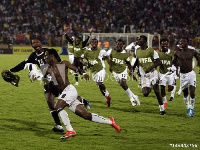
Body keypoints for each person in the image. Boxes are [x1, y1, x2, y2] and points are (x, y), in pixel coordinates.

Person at [2, 37, 91, 132]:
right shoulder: (33, 56)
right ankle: (58, 125)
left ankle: (81, 100)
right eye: (34, 43)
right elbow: (23, 64)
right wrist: (10, 70)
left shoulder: (50, 51)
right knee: (49, 100)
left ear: (40, 43)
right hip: (46, 80)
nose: (36, 44)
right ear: (32, 46)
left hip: (56, 78)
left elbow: (60, 63)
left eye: (38, 42)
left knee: (64, 95)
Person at [43, 49, 120, 139]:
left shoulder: (63, 63)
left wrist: (83, 74)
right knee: (86, 115)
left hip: (69, 90)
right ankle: (110, 121)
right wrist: (46, 83)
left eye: (46, 55)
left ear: (52, 56)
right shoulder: (47, 69)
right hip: (65, 94)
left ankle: (70, 130)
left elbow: (76, 69)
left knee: (58, 107)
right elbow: (47, 86)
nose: (44, 58)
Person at [132, 35, 165, 115]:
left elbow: (158, 62)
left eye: (140, 39)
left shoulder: (151, 50)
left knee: (156, 90)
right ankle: (149, 87)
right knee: (145, 94)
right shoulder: (137, 50)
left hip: (152, 73)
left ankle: (162, 109)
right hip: (144, 75)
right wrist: (132, 69)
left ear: (144, 41)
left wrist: (150, 67)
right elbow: (137, 60)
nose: (138, 41)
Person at [106, 39, 140, 107]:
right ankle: (134, 96)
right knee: (124, 86)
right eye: (118, 44)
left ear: (123, 45)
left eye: (120, 44)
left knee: (123, 83)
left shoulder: (125, 54)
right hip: (115, 72)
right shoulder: (112, 51)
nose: (119, 45)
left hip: (123, 71)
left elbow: (129, 64)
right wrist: (110, 65)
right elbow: (106, 57)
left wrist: (131, 72)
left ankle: (131, 99)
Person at [172, 37, 200, 117]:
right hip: (182, 75)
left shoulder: (192, 51)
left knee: (192, 92)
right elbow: (173, 62)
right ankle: (188, 107)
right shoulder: (177, 52)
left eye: (183, 41)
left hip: (191, 74)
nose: (182, 43)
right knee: (185, 93)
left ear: (188, 43)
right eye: (181, 41)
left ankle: (192, 108)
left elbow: (198, 59)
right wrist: (174, 69)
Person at [82, 38, 111, 107]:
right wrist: (84, 63)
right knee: (100, 86)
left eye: (96, 42)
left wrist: (110, 66)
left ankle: (107, 95)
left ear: (97, 43)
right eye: (93, 42)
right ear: (91, 44)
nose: (94, 43)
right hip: (93, 71)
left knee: (100, 83)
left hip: (101, 69)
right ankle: (107, 99)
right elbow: (80, 58)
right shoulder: (87, 52)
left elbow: (107, 57)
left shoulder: (101, 51)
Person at [157, 38, 176, 107]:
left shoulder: (172, 52)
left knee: (171, 88)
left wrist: (175, 69)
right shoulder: (158, 53)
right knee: (162, 88)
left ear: (168, 44)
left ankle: (169, 87)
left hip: (170, 74)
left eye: (166, 44)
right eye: (163, 44)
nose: (164, 45)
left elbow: (175, 62)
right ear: (160, 45)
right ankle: (165, 101)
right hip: (162, 73)